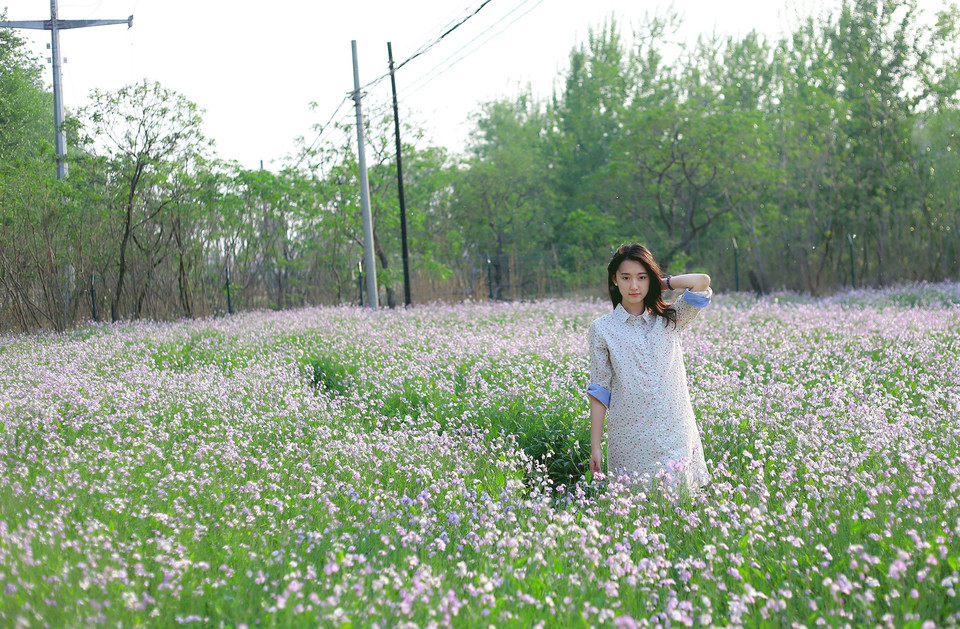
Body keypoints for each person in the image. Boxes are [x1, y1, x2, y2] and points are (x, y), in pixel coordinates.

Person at [586, 243, 712, 490]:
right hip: (631, 437)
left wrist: (660, 283)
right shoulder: (602, 329)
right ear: (614, 279)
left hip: (675, 429)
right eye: (626, 277)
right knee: (634, 509)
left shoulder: (671, 319)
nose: (634, 286)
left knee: (682, 507)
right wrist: (596, 446)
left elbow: (702, 281)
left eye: (641, 278)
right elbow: (599, 390)